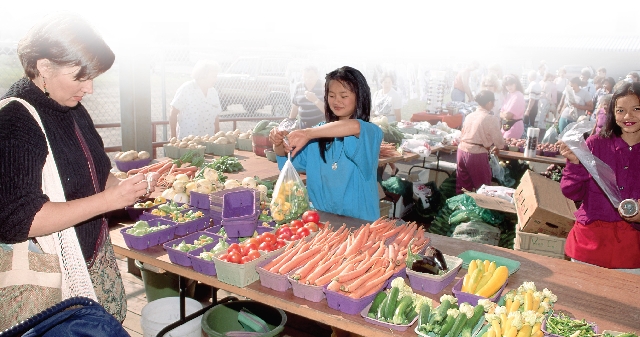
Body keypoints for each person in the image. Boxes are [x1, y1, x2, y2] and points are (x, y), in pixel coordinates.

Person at [0, 13, 155, 323]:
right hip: (47, 275)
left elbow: (98, 175)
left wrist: (134, 186)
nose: (90, 88)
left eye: (93, 77)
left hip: (91, 256)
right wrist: (109, 201)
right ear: (43, 67)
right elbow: (20, 220)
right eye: (80, 76)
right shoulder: (15, 120)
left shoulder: (73, 108)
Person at [269, 66, 383, 222]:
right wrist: (279, 144)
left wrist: (307, 133)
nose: (336, 101)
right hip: (322, 220)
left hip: (360, 224)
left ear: (360, 97)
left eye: (344, 96)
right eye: (331, 95)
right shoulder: (318, 133)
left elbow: (355, 126)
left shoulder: (370, 132)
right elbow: (289, 160)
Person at [559, 81, 640, 273]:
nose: (628, 116)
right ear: (613, 113)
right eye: (620, 110)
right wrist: (575, 163)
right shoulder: (595, 144)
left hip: (631, 253)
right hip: (588, 247)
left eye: (636, 108)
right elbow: (572, 192)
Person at [456, 90, 505, 194]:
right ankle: (483, 209)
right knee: (484, 188)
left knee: (462, 187)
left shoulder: (470, 115)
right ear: (489, 103)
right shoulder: (491, 119)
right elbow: (500, 143)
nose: (493, 105)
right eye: (493, 102)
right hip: (475, 154)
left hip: (461, 150)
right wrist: (497, 146)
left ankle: (459, 208)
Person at [169, 60, 222, 139]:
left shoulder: (213, 92)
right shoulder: (187, 89)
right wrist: (173, 136)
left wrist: (217, 136)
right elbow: (173, 112)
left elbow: (216, 116)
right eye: (213, 76)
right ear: (203, 75)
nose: (216, 79)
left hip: (209, 141)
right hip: (188, 142)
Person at [500, 74, 526, 139]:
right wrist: (503, 114)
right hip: (506, 124)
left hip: (515, 125)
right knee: (500, 144)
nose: (509, 87)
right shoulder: (508, 95)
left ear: (516, 84)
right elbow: (501, 113)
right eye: (507, 85)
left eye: (511, 84)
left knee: (506, 146)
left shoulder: (518, 95)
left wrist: (503, 114)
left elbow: (508, 116)